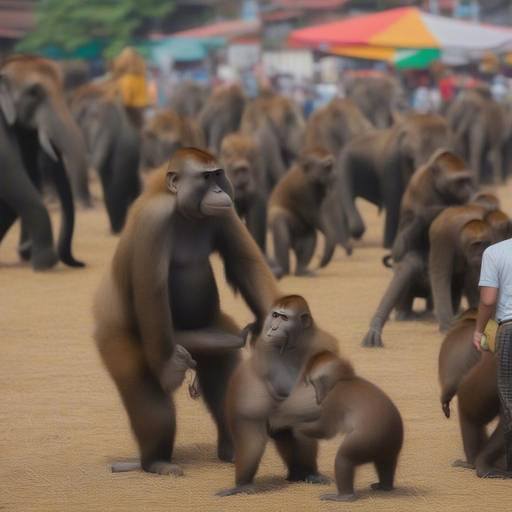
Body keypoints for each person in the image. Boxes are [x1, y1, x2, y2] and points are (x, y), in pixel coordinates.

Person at [473, 236, 512, 471]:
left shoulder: (495, 252)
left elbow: (488, 299)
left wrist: (479, 329)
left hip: (509, 329)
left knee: (509, 399)